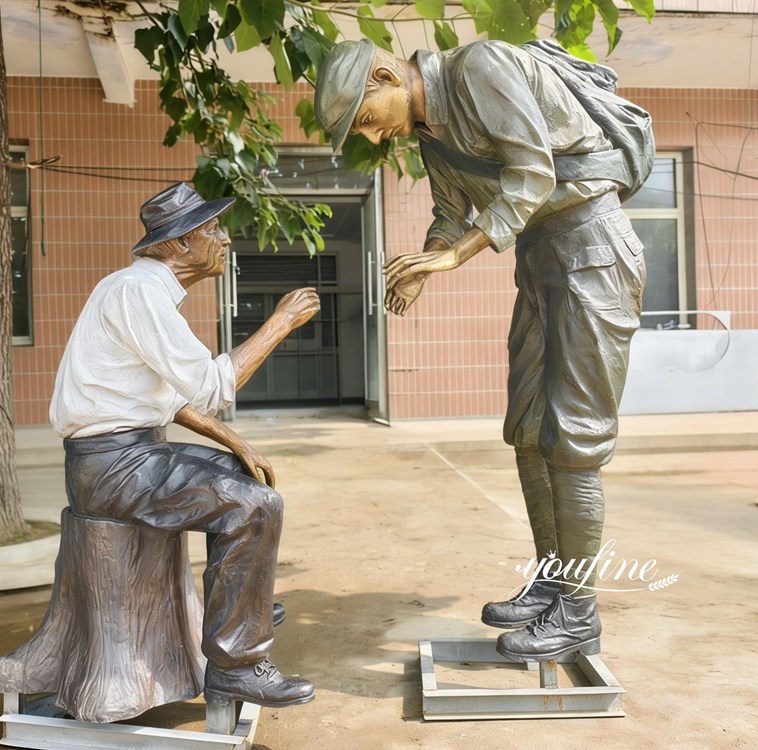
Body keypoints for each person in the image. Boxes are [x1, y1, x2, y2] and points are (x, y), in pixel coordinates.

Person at [315, 39, 648, 662]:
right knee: (526, 430)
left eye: (366, 119)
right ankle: (553, 581)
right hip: (542, 264)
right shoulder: (430, 135)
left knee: (572, 442)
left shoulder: (480, 68)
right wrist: (425, 261)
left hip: (595, 256)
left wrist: (456, 254)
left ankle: (579, 613)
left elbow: (532, 174)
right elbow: (450, 214)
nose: (376, 137)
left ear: (387, 76)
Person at [49, 182, 320, 706]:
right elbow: (211, 386)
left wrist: (236, 442)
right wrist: (280, 322)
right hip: (112, 467)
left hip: (127, 454)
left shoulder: (138, 291)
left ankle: (246, 604)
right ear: (177, 245)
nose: (224, 240)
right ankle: (237, 665)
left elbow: (170, 399)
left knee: (244, 480)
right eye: (212, 230)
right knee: (255, 504)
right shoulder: (140, 293)